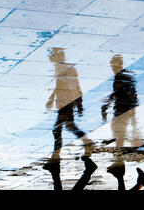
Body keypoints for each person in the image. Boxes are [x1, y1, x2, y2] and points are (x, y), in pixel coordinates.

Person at [43, 47, 96, 190]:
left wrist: (53, 98)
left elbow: (65, 84)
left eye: (52, 55)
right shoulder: (64, 67)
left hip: (65, 101)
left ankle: (55, 161)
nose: (50, 58)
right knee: (63, 128)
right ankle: (56, 161)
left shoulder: (61, 67)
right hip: (67, 100)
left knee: (59, 129)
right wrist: (78, 103)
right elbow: (72, 85)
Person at [102, 54, 144, 190]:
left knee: (119, 138)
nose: (112, 67)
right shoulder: (127, 77)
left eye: (113, 65)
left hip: (121, 111)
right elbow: (131, 93)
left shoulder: (120, 77)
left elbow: (118, 92)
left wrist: (106, 105)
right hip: (125, 110)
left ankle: (121, 171)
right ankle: (120, 171)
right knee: (119, 139)